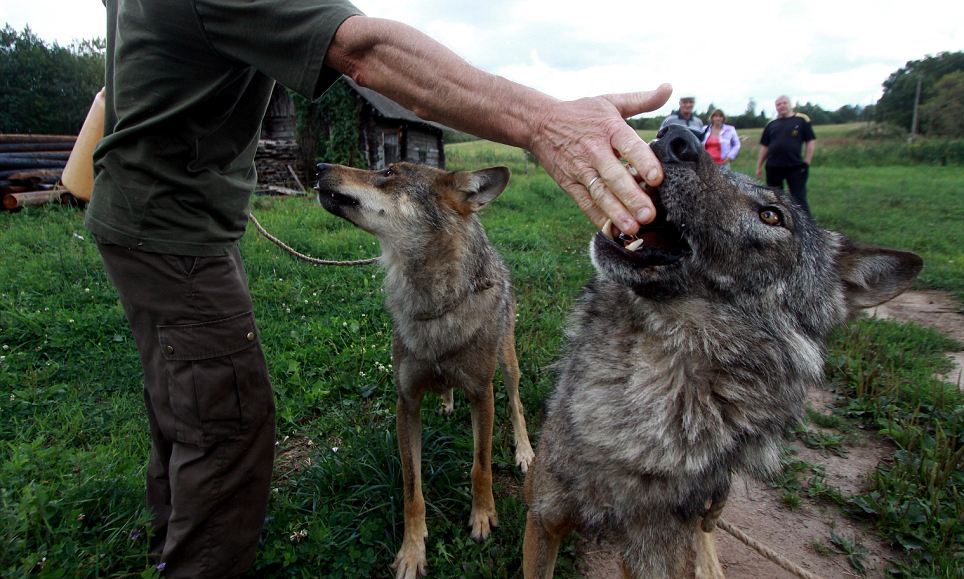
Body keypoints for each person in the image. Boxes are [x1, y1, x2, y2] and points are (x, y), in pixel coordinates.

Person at [76, 1, 673, 577]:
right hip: (174, 232)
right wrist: (543, 121)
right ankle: (190, 559)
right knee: (223, 427)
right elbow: (367, 51)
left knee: (183, 411)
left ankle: (166, 543)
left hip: (146, 220)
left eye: (386, 178)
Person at [755, 95, 816, 213]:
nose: (781, 106)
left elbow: (810, 141)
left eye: (784, 103)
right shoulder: (771, 124)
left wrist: (807, 161)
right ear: (776, 107)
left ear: (790, 104)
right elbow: (764, 147)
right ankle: (779, 220)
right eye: (778, 104)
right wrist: (759, 166)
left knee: (799, 198)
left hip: (795, 166)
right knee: (774, 198)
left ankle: (805, 223)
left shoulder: (801, 120)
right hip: (773, 166)